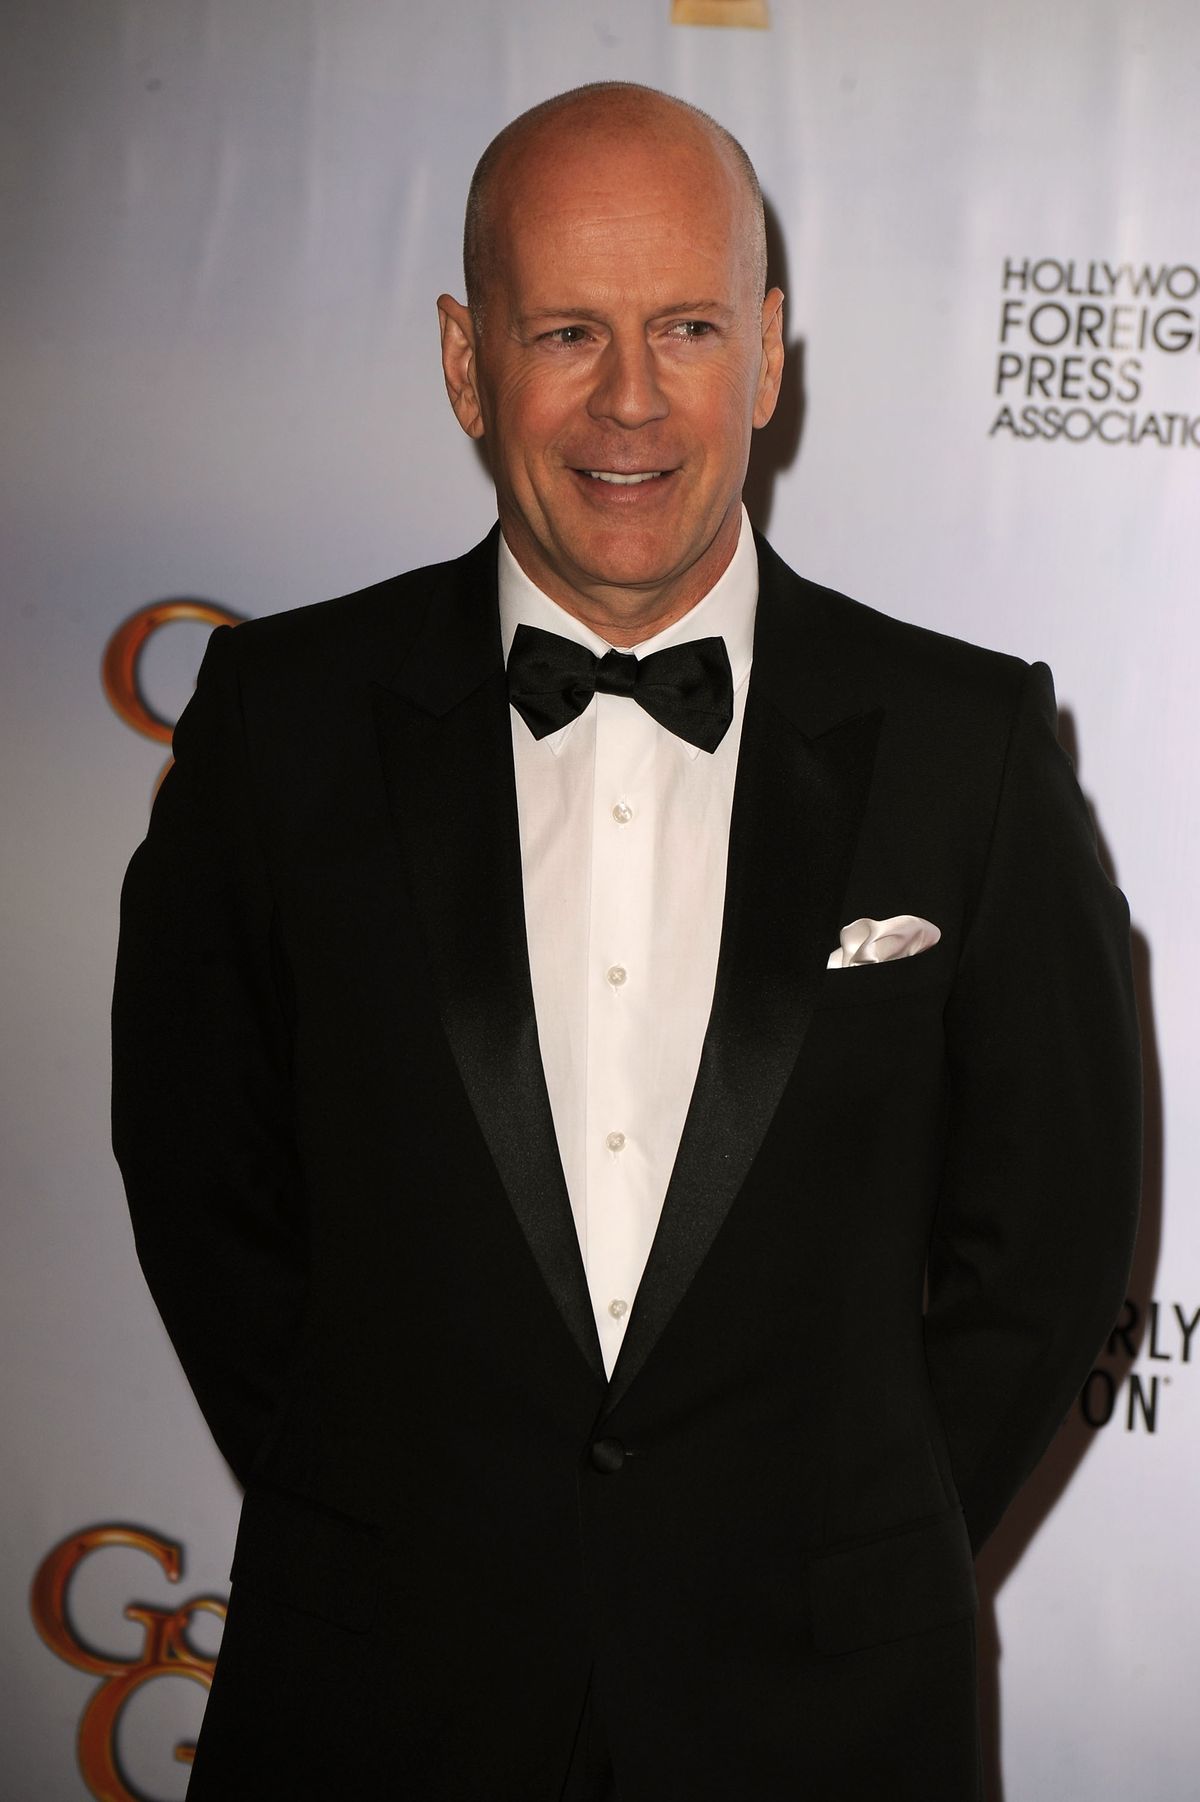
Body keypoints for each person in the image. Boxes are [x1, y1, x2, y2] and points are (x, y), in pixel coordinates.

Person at [112, 82, 1141, 1802]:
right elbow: (203, 1176)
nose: (632, 400)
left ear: (769, 353)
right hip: (377, 1701)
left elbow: (1047, 1236)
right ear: (464, 360)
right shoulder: (276, 729)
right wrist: (389, 1510)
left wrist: (840, 1538)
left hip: (821, 1717)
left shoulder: (966, 743)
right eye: (568, 331)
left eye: (686, 327)